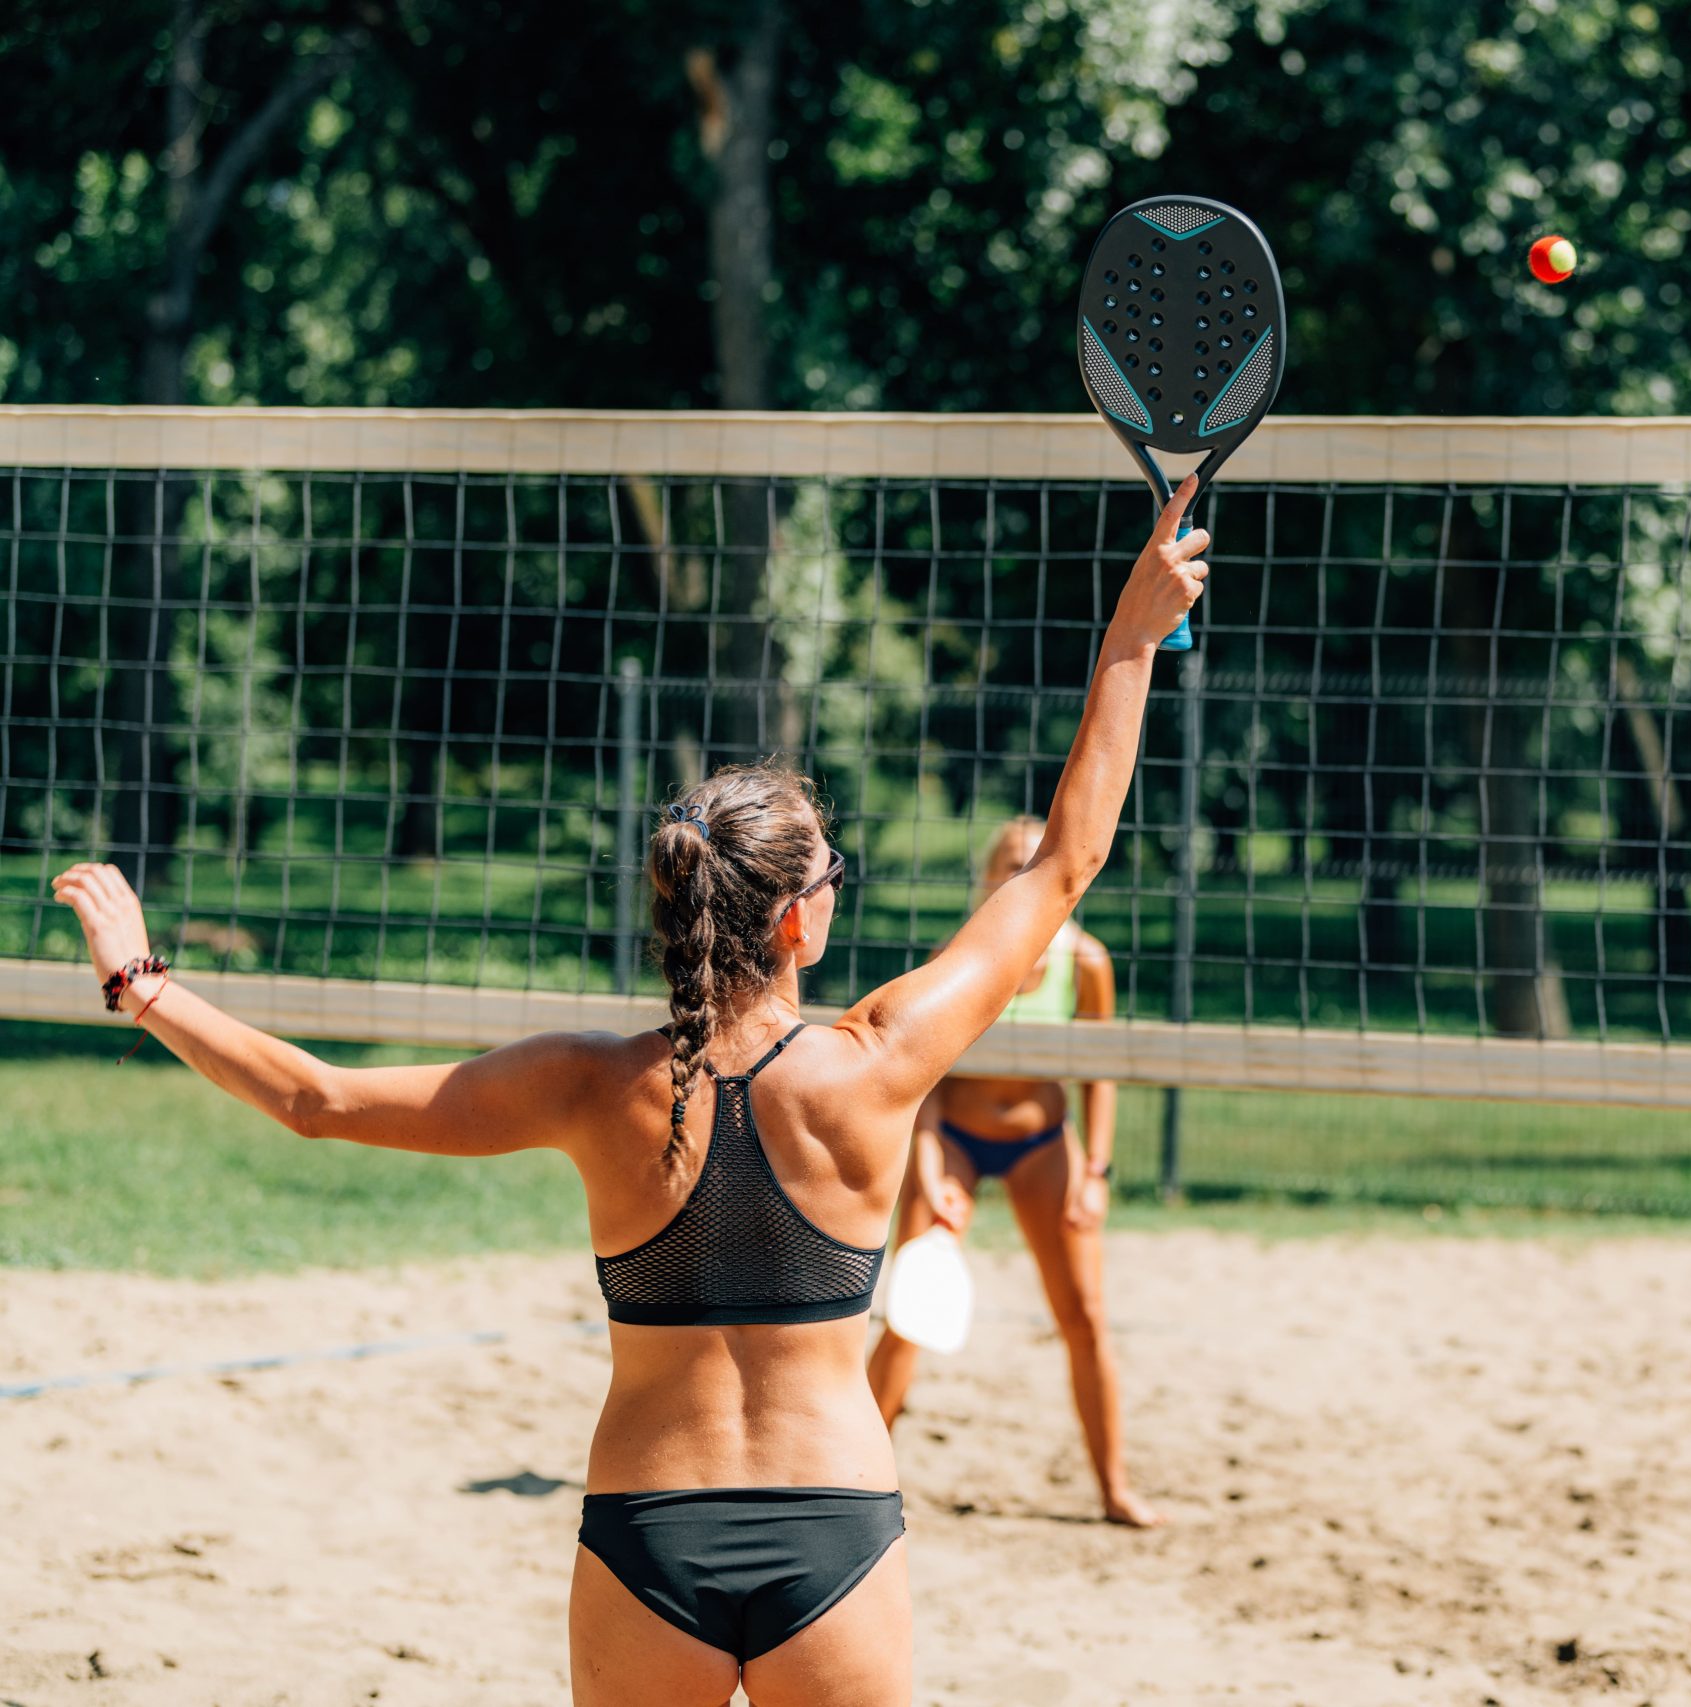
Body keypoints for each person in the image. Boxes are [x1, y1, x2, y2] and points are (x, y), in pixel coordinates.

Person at [45, 479, 1210, 1706]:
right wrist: (1131, 633)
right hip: (833, 1534)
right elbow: (1068, 862)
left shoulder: (591, 1086)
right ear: (803, 919)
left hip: (650, 1531)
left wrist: (142, 982)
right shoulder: (876, 1064)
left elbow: (317, 1099)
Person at [865, 816, 1154, 1527]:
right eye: (1008, 866)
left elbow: (1102, 1073)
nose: (1022, 878)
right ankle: (856, 1480)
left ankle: (1114, 1488)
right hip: (954, 1136)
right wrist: (929, 1171)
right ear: (987, 879)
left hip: (1043, 1141)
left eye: (1035, 865)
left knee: (1084, 1315)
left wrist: (1097, 1166)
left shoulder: (1086, 961)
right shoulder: (957, 957)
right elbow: (918, 1081)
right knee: (913, 1309)